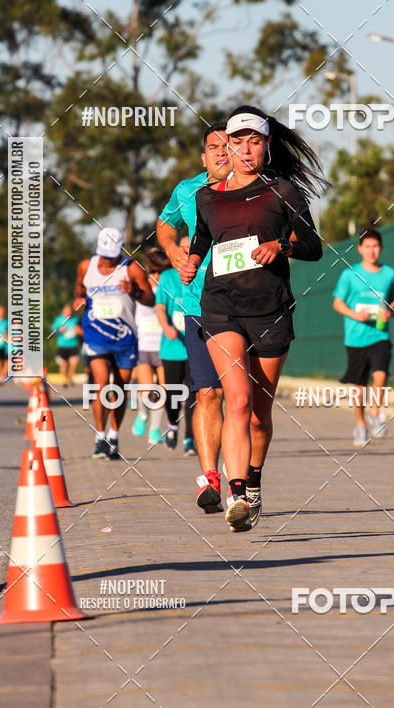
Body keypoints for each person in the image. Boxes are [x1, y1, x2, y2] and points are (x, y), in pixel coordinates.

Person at [181, 106, 326, 531]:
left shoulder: (283, 192)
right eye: (238, 142)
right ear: (227, 145)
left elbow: (313, 246)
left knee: (260, 413)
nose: (246, 150)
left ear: (265, 146)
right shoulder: (207, 195)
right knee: (237, 400)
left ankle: (255, 480)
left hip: (270, 311)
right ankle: (238, 493)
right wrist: (191, 260)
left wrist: (281, 246)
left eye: (255, 142)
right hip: (221, 306)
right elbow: (204, 236)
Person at [156, 122, 231, 513]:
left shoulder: (252, 190)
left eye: (227, 145)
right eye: (213, 147)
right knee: (208, 393)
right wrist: (172, 252)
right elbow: (165, 225)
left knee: (242, 401)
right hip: (197, 306)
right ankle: (210, 480)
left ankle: (243, 481)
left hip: (246, 307)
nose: (221, 152)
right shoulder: (188, 190)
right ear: (204, 157)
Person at [74, 226, 154, 459]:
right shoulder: (85, 266)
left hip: (125, 337)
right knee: (100, 384)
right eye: (104, 255)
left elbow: (150, 299)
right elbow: (79, 287)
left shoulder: (132, 268)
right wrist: (78, 298)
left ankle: (113, 436)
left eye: (112, 257)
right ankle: (99, 436)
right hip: (96, 334)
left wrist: (134, 291)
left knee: (119, 388)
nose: (108, 261)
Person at [332, 227, 394, 447]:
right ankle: (361, 424)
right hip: (355, 338)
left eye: (375, 246)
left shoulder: (390, 274)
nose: (372, 251)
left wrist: (389, 311)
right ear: (360, 249)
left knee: (380, 375)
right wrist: (355, 314)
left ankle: (375, 412)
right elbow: (337, 303)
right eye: (367, 246)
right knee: (359, 386)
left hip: (380, 334)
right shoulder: (349, 275)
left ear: (381, 248)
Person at [155, 236, 195, 455]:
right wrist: (166, 326)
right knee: (172, 394)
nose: (188, 253)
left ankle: (190, 438)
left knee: (193, 395)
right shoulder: (168, 277)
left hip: (195, 345)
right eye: (184, 249)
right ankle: (172, 425)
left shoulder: (200, 274)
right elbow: (160, 307)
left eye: (192, 249)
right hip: (172, 346)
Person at [131, 247, 168, 445]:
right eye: (153, 272)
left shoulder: (168, 289)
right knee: (146, 390)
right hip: (143, 347)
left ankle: (155, 430)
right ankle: (143, 414)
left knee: (163, 391)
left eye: (160, 272)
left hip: (162, 348)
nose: (156, 276)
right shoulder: (140, 290)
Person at [51, 305, 82, 386]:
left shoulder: (75, 319)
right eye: (67, 311)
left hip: (73, 345)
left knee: (74, 362)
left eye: (70, 311)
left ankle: (70, 377)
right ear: (63, 312)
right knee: (63, 364)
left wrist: (78, 330)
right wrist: (59, 330)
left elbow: (80, 329)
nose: (68, 313)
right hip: (62, 345)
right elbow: (53, 330)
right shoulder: (59, 319)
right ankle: (65, 379)